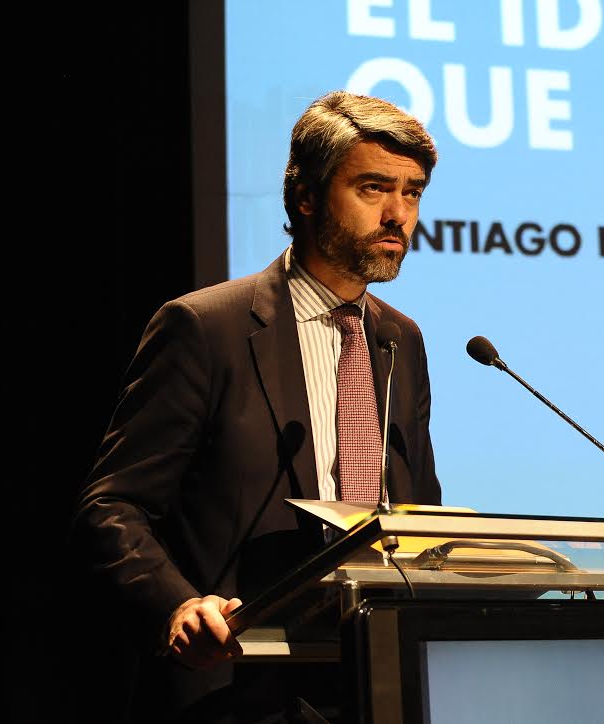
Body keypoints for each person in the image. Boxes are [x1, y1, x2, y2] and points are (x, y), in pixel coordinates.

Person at [72, 91, 443, 723]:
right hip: (237, 685)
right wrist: (178, 605)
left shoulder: (398, 340)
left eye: (411, 193)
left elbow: (417, 511)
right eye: (373, 188)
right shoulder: (204, 328)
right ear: (305, 196)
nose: (397, 215)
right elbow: (112, 505)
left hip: (373, 681)